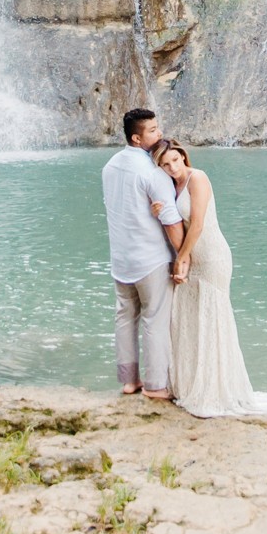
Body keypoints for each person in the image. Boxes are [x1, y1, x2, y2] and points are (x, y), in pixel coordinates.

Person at [154, 138, 267, 418]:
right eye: (165, 165)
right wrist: (160, 214)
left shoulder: (197, 178)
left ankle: (216, 390)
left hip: (211, 257)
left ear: (182, 155)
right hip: (192, 257)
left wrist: (183, 257)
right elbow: (175, 222)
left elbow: (199, 223)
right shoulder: (171, 185)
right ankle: (192, 384)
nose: (172, 167)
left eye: (175, 160)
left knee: (213, 319)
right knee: (189, 318)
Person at [102, 106, 184, 399]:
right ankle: (156, 385)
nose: (159, 133)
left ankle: (128, 381)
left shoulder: (109, 166)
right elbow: (172, 221)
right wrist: (183, 256)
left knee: (125, 317)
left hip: (121, 259)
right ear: (137, 139)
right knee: (155, 320)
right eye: (152, 130)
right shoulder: (152, 172)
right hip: (150, 259)